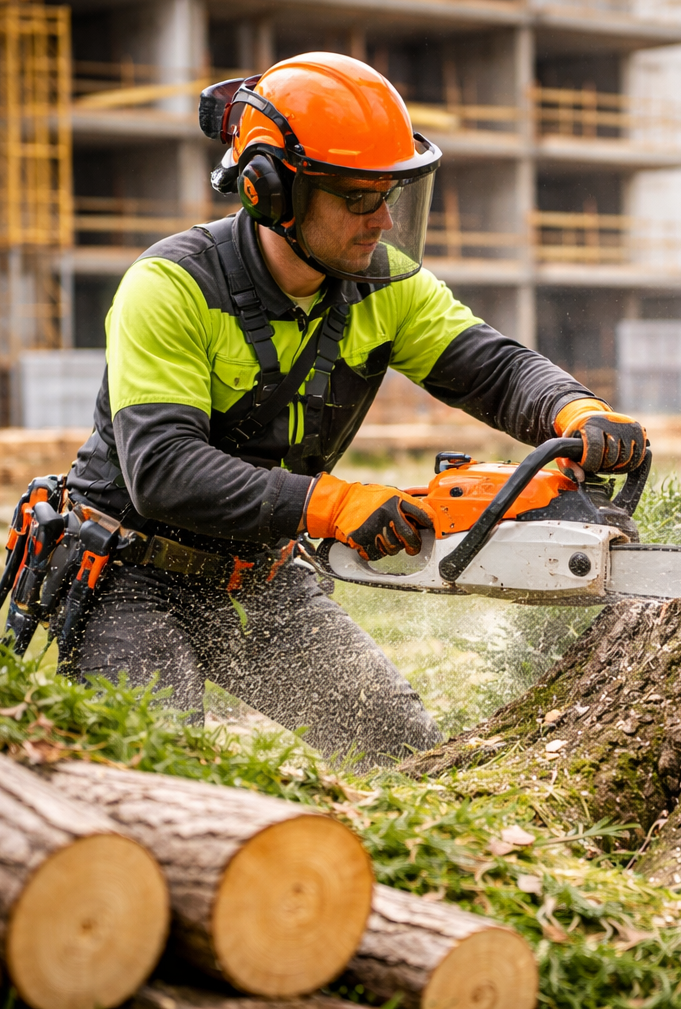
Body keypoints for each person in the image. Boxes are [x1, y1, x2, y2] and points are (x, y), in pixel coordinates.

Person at [65, 52, 647, 766]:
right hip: (129, 571)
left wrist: (574, 410)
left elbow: (491, 368)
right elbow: (164, 470)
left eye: (391, 195)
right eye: (357, 198)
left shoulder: (384, 285)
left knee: (398, 749)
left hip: (258, 572)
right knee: (157, 771)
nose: (382, 220)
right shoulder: (173, 288)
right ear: (270, 191)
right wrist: (332, 504)